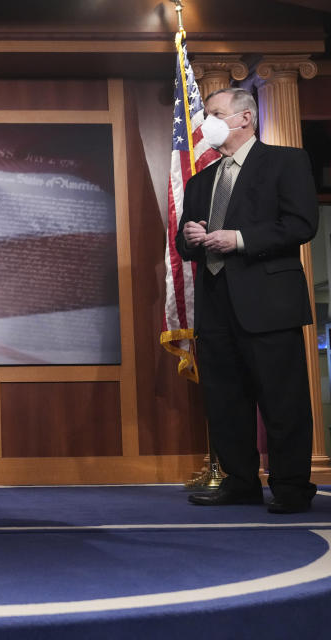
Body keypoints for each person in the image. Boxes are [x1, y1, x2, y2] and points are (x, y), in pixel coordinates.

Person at [176, 88, 318, 514]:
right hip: (216, 305)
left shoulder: (285, 162)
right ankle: (240, 481)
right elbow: (186, 245)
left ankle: (291, 487)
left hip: (268, 303)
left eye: (215, 113)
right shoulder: (201, 180)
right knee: (225, 400)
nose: (207, 123)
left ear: (245, 119)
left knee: (282, 400)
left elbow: (301, 224)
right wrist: (190, 238)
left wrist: (239, 239)